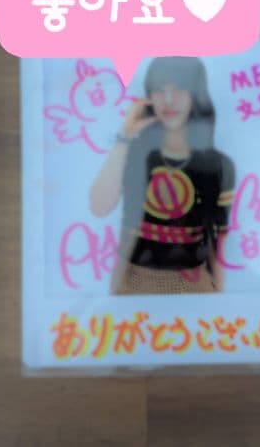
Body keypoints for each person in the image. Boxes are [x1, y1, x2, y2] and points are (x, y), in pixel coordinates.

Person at [89, 56, 235, 295]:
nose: (168, 100)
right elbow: (99, 207)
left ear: (195, 95)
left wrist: (217, 298)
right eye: (159, 90)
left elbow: (217, 244)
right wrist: (125, 136)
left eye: (179, 90)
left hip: (194, 285)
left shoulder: (219, 166)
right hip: (133, 281)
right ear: (149, 97)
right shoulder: (134, 154)